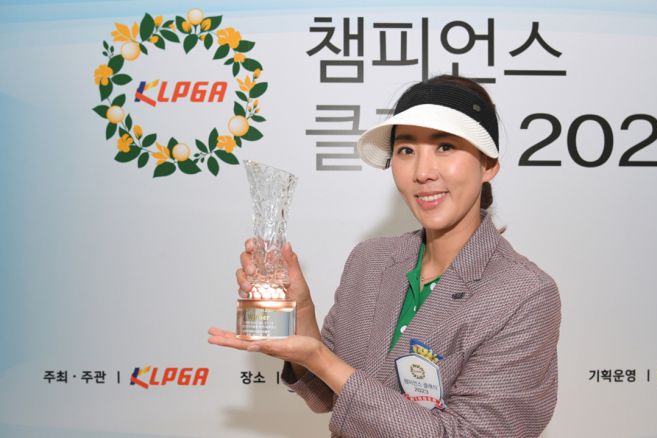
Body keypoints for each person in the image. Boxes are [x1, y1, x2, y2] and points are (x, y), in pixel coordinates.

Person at [208, 75, 561, 437]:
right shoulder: (371, 260)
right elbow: (328, 396)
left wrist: (320, 358)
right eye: (406, 150)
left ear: (488, 165)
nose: (422, 172)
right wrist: (302, 317)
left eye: (445, 147)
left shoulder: (524, 295)